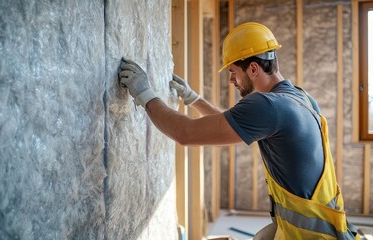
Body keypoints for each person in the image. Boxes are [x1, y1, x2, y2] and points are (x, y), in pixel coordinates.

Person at [119, 22, 359, 240]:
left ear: (253, 68)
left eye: (233, 71)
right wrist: (194, 99)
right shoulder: (299, 98)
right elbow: (231, 124)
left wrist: (145, 93)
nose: (232, 80)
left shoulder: (266, 106)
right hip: (328, 228)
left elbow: (186, 133)